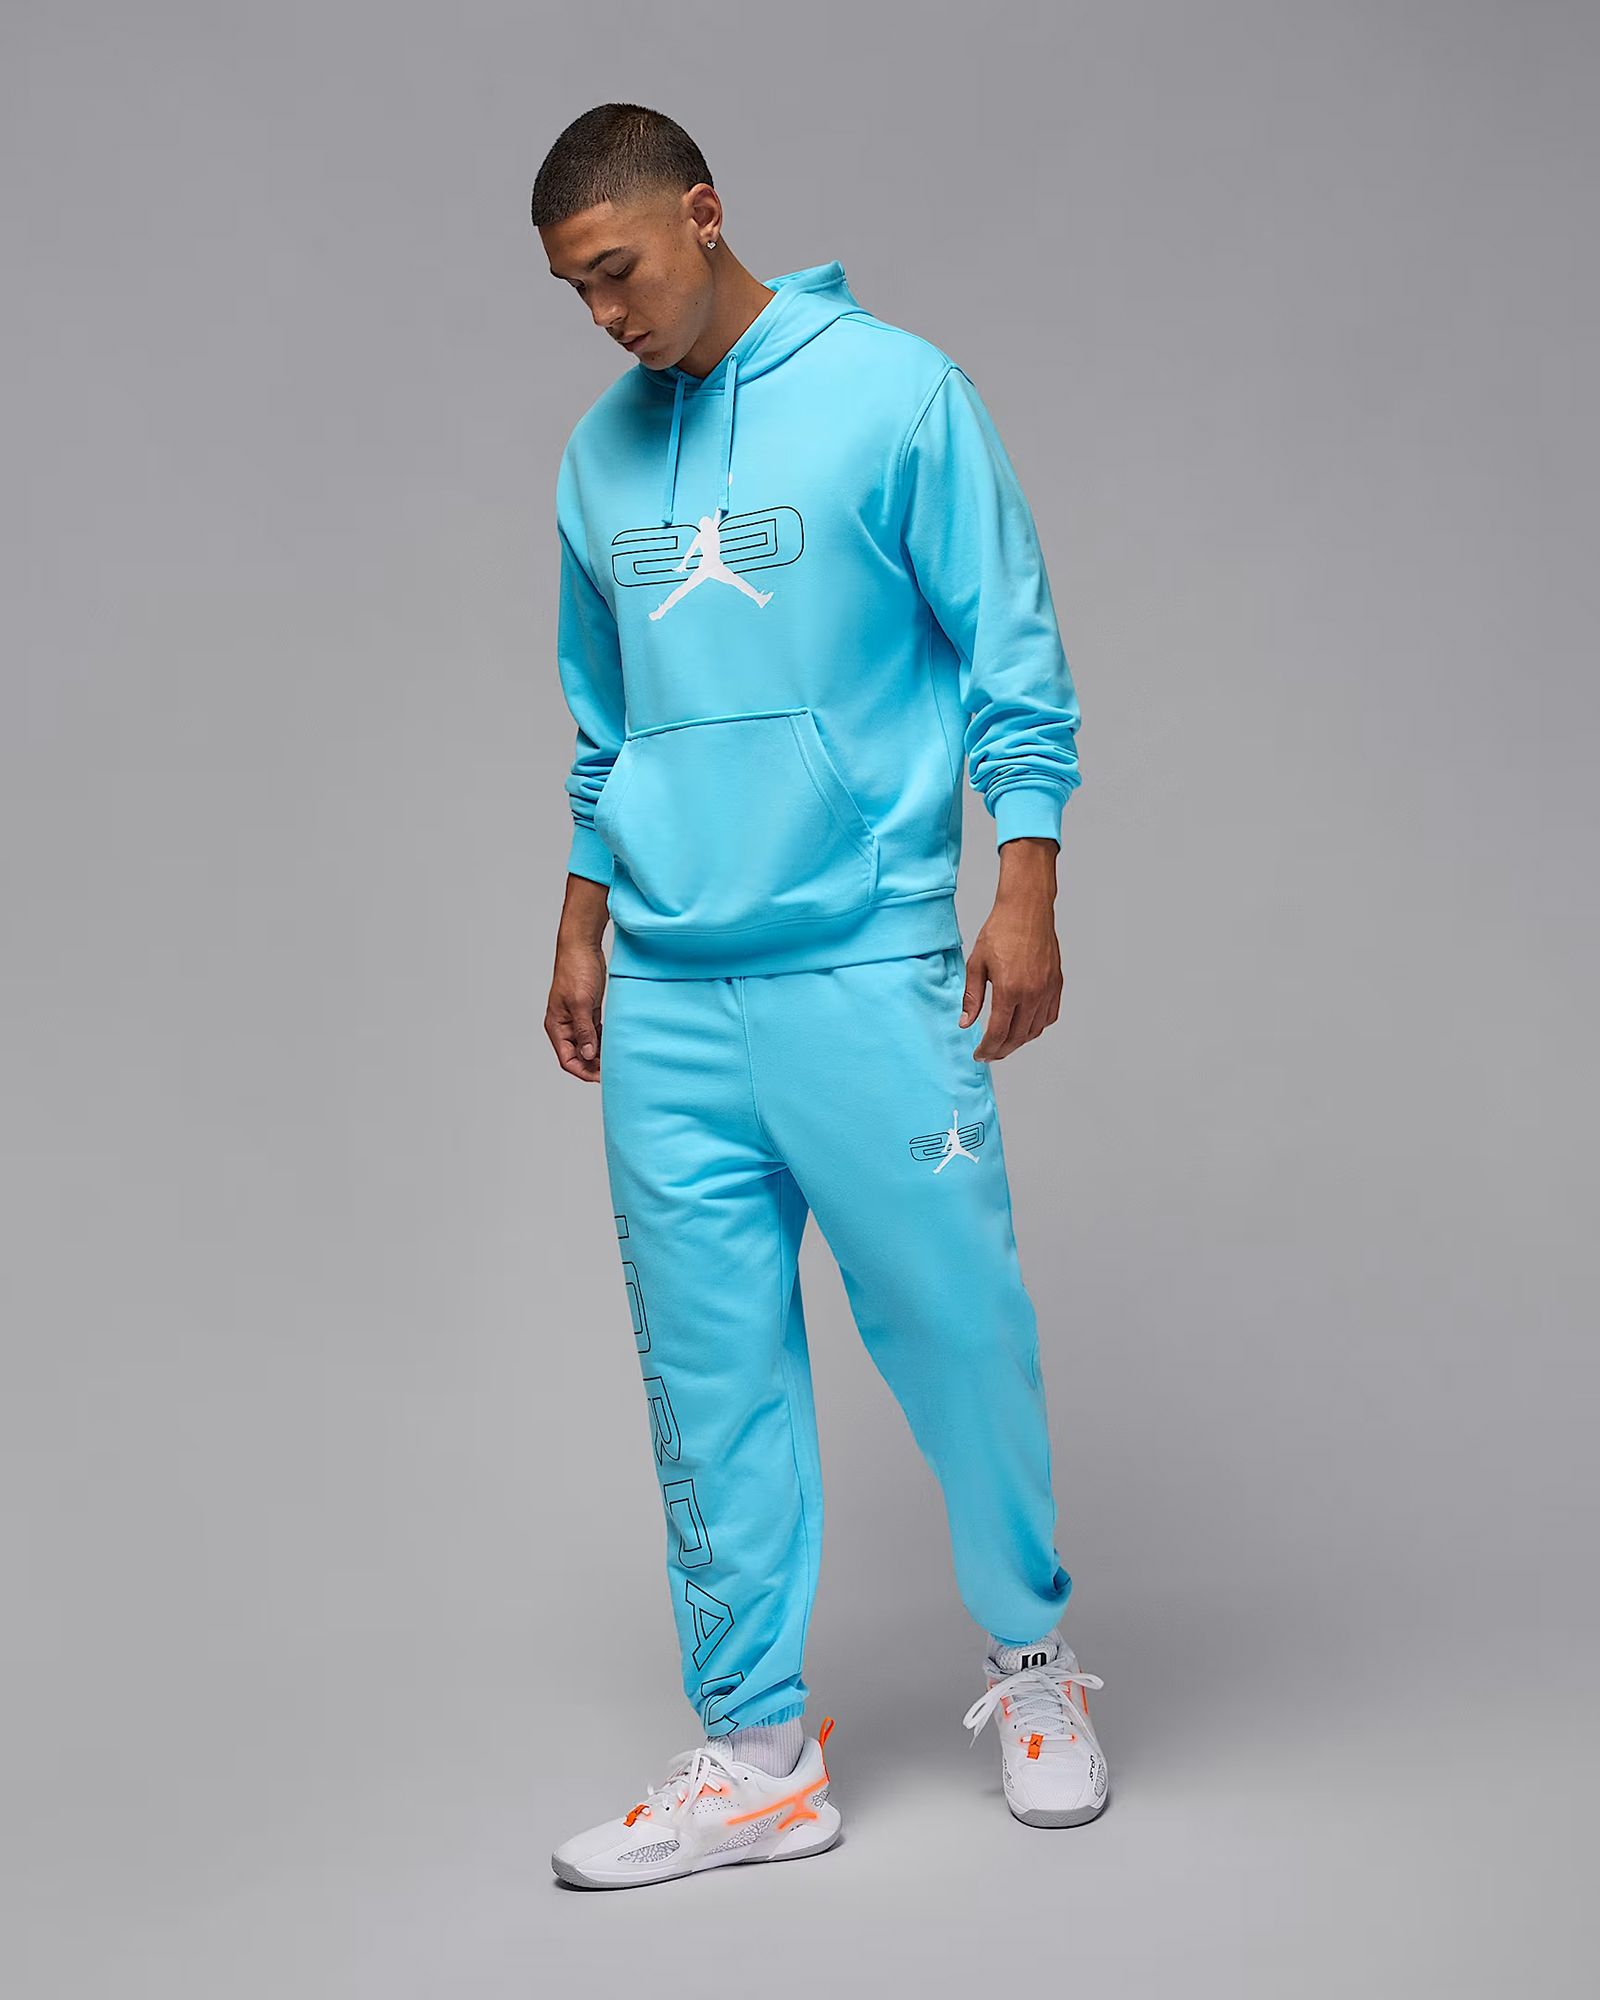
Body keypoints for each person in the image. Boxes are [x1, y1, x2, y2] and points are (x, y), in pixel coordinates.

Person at [533, 102, 1107, 1890]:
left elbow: (1013, 651)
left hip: (863, 960)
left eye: (618, 271)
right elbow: (603, 719)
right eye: (574, 292)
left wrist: (1025, 878)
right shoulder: (597, 457)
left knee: (958, 1328)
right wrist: (580, 914)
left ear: (703, 215)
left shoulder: (899, 394)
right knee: (706, 1376)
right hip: (670, 988)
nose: (604, 315)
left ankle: (1034, 1668)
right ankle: (756, 1753)